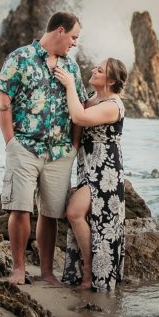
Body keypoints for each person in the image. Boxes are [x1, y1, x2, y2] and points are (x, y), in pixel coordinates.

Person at [0, 11, 88, 286]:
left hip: (59, 152)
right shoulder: (19, 58)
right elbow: (2, 101)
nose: (74, 43)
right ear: (59, 30)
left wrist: (73, 145)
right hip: (24, 146)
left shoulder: (71, 68)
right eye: (73, 37)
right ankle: (19, 270)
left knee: (50, 213)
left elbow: (79, 106)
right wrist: (10, 142)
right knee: (20, 209)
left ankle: (47, 273)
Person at [52, 57, 128, 291]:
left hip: (106, 170)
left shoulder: (113, 105)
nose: (94, 70)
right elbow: (75, 121)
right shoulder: (94, 99)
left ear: (112, 80)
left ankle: (89, 274)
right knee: (88, 219)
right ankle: (87, 275)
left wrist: (70, 86)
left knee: (75, 212)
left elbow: (80, 118)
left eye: (100, 70)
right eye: (96, 67)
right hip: (88, 167)